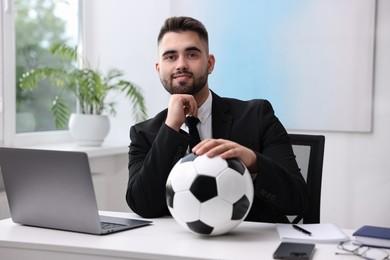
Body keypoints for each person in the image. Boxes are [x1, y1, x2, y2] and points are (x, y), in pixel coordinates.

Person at [126, 16, 309, 223]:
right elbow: (142, 205)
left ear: (210, 63)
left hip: (249, 246)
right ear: (159, 69)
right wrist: (171, 128)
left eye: (192, 54)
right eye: (170, 57)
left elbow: (298, 200)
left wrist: (254, 162)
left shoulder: (258, 116)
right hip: (178, 248)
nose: (181, 65)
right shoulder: (143, 133)